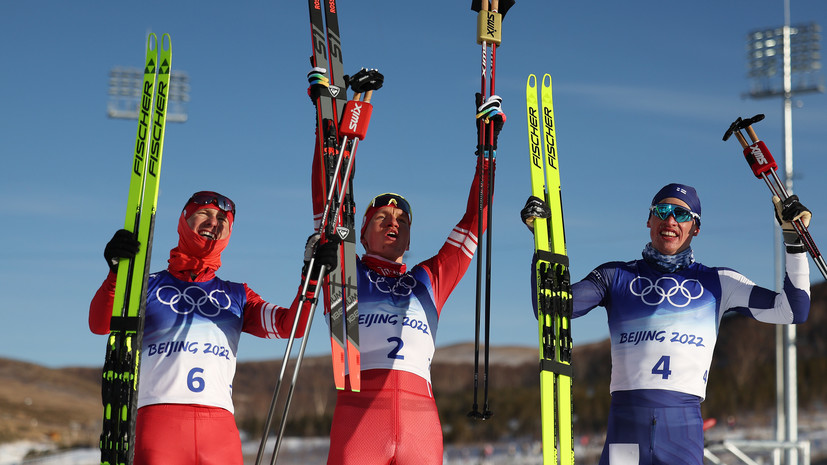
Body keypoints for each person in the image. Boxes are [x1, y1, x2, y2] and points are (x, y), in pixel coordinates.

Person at [520, 183, 812, 465]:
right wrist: (541, 240)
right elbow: (550, 308)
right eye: (662, 211)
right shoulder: (616, 276)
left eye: (682, 215)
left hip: (681, 431)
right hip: (626, 426)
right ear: (649, 219)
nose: (670, 220)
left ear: (695, 228)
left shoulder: (719, 282)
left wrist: (794, 241)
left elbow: (791, 311)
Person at [314, 95, 504, 465]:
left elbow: (473, 221)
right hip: (359, 419)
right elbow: (326, 202)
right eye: (381, 217)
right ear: (363, 233)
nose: (393, 222)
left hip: (421, 423)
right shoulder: (343, 270)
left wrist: (487, 152)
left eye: (402, 220)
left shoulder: (429, 278)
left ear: (410, 238)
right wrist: (328, 128)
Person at [89, 191, 337, 465]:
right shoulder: (147, 285)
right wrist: (116, 273)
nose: (213, 221)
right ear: (184, 221)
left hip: (220, 430)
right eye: (204, 213)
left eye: (223, 219)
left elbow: (290, 327)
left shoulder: (238, 295)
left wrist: (312, 277)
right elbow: (99, 324)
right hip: (159, 424)